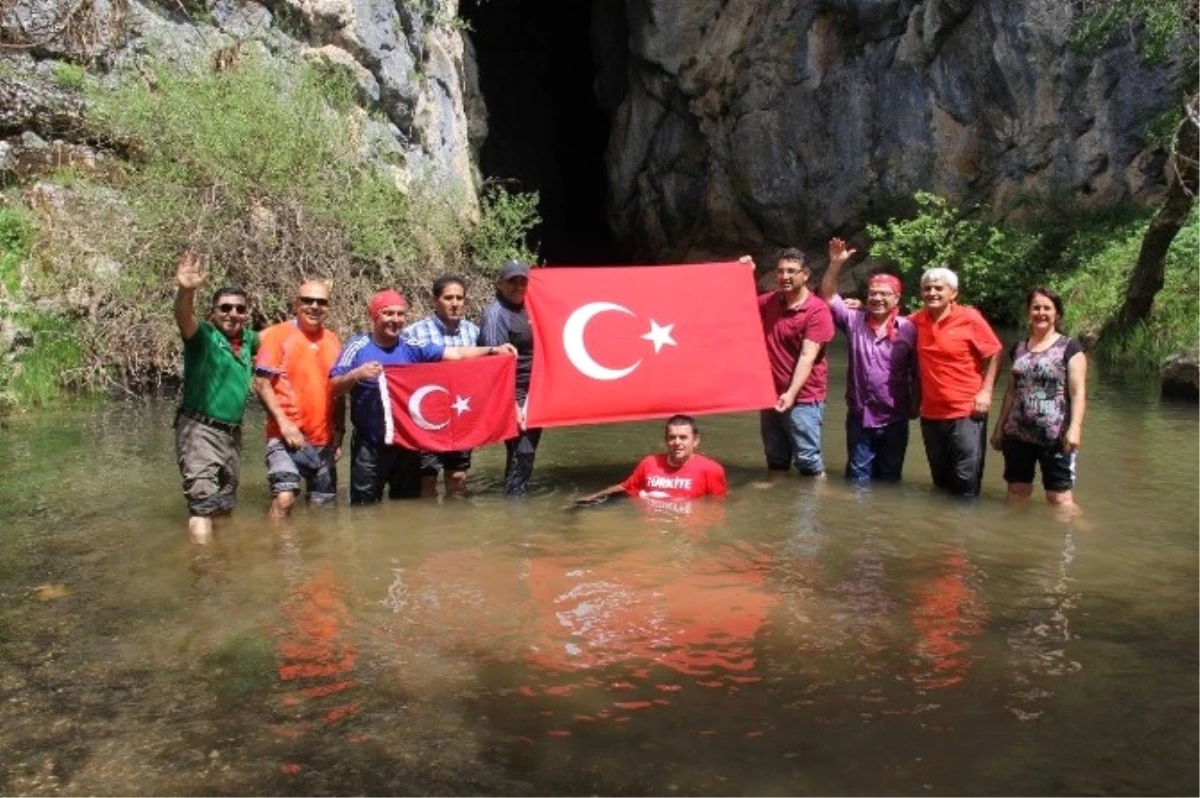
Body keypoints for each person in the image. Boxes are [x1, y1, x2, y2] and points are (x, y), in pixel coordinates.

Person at [330, 289, 515, 505]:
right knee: (364, 508)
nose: (395, 320)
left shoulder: (410, 346)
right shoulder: (357, 347)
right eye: (388, 313)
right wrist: (356, 374)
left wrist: (493, 349)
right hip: (370, 444)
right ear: (374, 316)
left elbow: (455, 354)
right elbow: (333, 388)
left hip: (407, 443)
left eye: (400, 314)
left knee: (408, 506)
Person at [171, 250, 259, 544]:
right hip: (199, 429)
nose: (232, 314)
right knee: (202, 507)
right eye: (225, 308)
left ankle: (223, 565)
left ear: (246, 315)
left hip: (232, 434)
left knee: (224, 505)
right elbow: (184, 317)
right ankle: (203, 575)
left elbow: (280, 337)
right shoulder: (203, 338)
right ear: (213, 313)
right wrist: (186, 291)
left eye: (239, 309)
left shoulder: (248, 340)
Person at [818, 238, 919, 481]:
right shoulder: (854, 321)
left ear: (897, 299)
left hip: (895, 416)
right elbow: (828, 296)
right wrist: (835, 264)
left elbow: (917, 372)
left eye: (885, 294)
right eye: (873, 293)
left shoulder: (909, 328)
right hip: (860, 414)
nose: (877, 298)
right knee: (857, 477)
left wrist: (917, 404)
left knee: (890, 477)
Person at [254, 280, 344, 518]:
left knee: (322, 509)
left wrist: (340, 432)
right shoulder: (278, 335)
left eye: (321, 302)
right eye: (308, 301)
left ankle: (316, 555)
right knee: (284, 500)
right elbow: (261, 383)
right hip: (285, 435)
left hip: (323, 439)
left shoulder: (334, 341)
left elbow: (338, 389)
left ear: (328, 307)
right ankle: (278, 551)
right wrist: (284, 424)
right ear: (296, 304)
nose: (314, 306)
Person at [909, 267, 1002, 497]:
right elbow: (888, 321)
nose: (932, 293)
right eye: (927, 289)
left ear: (953, 293)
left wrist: (986, 392)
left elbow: (995, 353)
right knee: (940, 482)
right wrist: (862, 309)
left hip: (966, 412)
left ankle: (964, 528)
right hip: (931, 414)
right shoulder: (915, 321)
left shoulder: (969, 318)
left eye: (938, 288)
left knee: (965, 483)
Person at [989, 287, 1087, 506]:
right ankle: (1016, 536)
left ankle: (1070, 538)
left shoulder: (1070, 348)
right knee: (1017, 491)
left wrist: (1075, 428)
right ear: (1028, 312)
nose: (1041, 312)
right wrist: (999, 427)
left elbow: (1078, 392)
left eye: (1047, 308)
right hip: (1017, 433)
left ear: (1057, 314)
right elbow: (1012, 391)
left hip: (1055, 434)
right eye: (1036, 308)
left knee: (1059, 498)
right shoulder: (1019, 349)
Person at [753, 247, 836, 477]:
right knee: (776, 459)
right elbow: (739, 307)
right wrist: (745, 274)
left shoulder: (817, 311)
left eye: (791, 271)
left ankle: (813, 508)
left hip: (804, 398)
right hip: (769, 394)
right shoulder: (770, 301)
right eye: (780, 271)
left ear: (805, 274)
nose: (785, 277)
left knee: (808, 460)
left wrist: (791, 393)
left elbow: (807, 356)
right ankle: (778, 505)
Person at [402, 275, 481, 497]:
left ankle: (457, 527)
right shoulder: (413, 333)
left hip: (460, 415)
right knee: (426, 478)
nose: (455, 303)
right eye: (448, 298)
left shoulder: (474, 333)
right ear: (435, 300)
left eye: (459, 298)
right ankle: (430, 527)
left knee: (458, 477)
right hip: (425, 418)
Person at [480, 260, 541, 496]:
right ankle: (515, 509)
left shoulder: (531, 306)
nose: (517, 286)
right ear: (500, 283)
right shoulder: (496, 314)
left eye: (522, 281)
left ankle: (517, 500)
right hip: (515, 393)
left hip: (536, 389)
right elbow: (494, 366)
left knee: (528, 450)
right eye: (511, 281)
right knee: (521, 451)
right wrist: (512, 404)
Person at [577, 415, 727, 503]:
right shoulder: (650, 463)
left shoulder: (711, 470)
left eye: (683, 437)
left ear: (695, 440)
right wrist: (588, 499)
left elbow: (716, 506)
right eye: (672, 438)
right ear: (666, 440)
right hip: (651, 529)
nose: (677, 443)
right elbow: (625, 487)